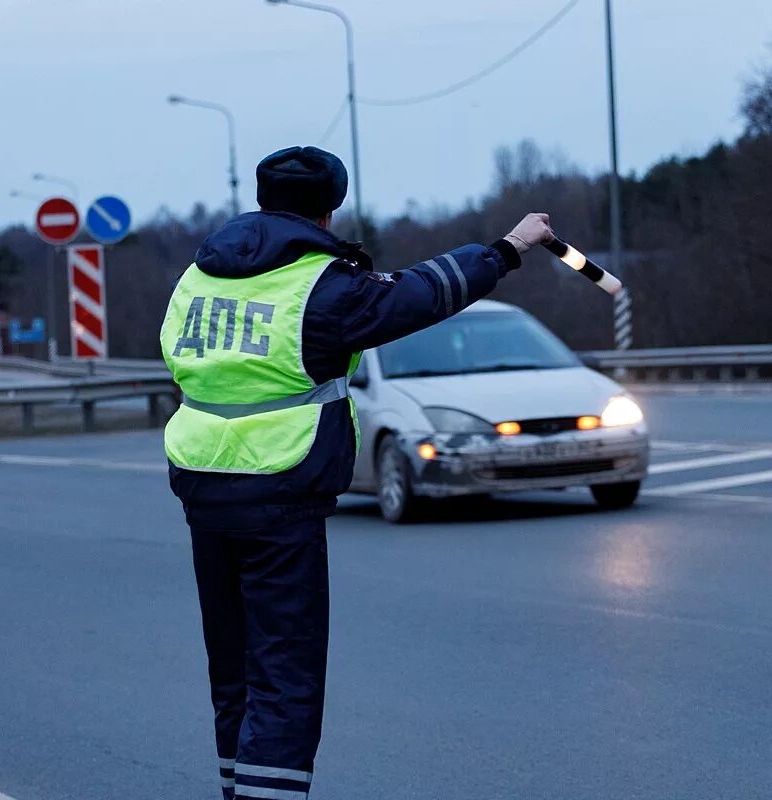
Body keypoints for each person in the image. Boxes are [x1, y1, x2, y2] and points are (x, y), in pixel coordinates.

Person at [160, 145, 556, 800]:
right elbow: (422, 294)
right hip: (279, 493)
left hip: (202, 487)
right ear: (331, 206)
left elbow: (183, 366)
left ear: (262, 199)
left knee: (233, 676)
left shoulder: (196, 279)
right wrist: (507, 248)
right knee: (284, 683)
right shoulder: (321, 287)